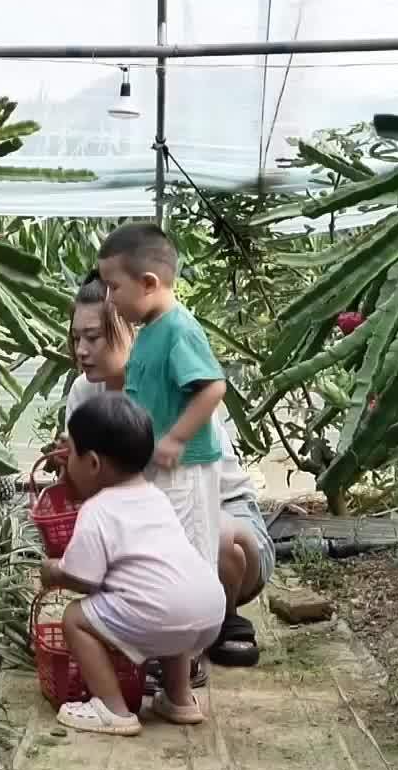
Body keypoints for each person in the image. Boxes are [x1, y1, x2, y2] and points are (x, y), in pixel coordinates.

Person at [57, 277, 271, 670]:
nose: (82, 351)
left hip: (223, 514)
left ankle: (222, 617)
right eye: (76, 339)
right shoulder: (84, 394)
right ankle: (169, 640)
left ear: (129, 329)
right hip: (155, 518)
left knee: (210, 541)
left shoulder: (173, 387)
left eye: (94, 338)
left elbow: (196, 489)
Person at [41, 392, 225, 736]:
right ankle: (180, 698)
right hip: (209, 608)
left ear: (93, 464)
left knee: (75, 618)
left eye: (72, 456)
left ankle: (113, 710)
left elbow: (83, 578)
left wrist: (53, 570)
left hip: (165, 611)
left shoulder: (98, 510)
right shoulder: (156, 496)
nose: (67, 464)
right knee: (172, 609)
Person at [95, 222, 227, 568]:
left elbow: (213, 387)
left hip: (186, 470)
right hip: (159, 465)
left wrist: (177, 438)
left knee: (191, 555)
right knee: (166, 554)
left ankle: (202, 617)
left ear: (149, 284)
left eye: (114, 287)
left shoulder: (179, 329)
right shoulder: (150, 331)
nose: (109, 300)